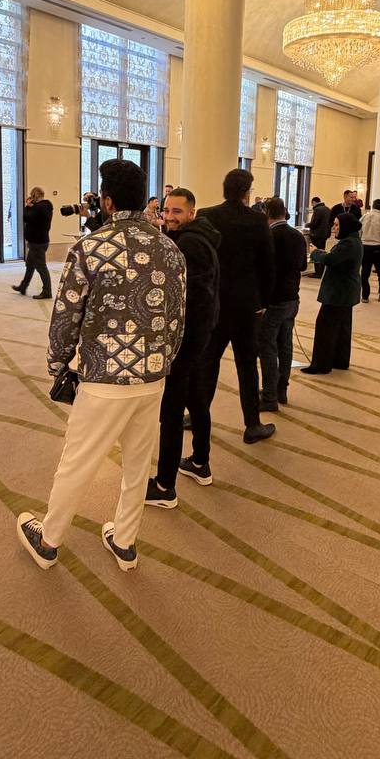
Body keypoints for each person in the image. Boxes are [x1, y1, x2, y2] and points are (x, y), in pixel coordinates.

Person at [16, 159, 186, 572]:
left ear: (107, 201)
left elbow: (66, 314)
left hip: (103, 376)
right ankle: (125, 542)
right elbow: (179, 316)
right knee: (137, 464)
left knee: (78, 460)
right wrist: (162, 360)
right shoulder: (170, 249)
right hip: (153, 376)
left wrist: (58, 363)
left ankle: (49, 539)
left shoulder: (90, 247)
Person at [180, 169, 276, 486]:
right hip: (247, 306)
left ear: (224, 188)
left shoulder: (207, 216)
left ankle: (197, 415)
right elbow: (267, 264)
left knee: (207, 362)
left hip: (216, 303)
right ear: (247, 191)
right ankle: (252, 424)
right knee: (247, 365)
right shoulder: (258, 221)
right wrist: (265, 299)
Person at [145, 187, 220, 509]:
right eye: (166, 210)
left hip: (186, 339)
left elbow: (189, 297)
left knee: (172, 412)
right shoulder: (200, 238)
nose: (170, 217)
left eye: (177, 211)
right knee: (198, 400)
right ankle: (200, 462)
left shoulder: (187, 244)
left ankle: (165, 486)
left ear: (192, 212)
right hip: (200, 336)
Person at [258, 196, 308, 411]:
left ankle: (269, 396)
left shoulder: (269, 236)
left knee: (267, 347)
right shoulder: (297, 235)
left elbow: (263, 270)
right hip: (292, 298)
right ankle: (281, 389)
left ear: (267, 213)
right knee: (285, 345)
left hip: (274, 301)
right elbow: (303, 266)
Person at [302, 213, 362, 374]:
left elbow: (330, 260)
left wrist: (315, 252)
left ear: (345, 226)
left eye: (336, 225)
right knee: (342, 327)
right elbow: (334, 257)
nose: (333, 228)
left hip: (338, 292)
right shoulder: (353, 241)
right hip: (347, 291)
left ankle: (321, 365)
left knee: (325, 327)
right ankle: (340, 360)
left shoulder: (348, 243)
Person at [12, 186, 53, 298]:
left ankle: (47, 291)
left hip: (37, 243)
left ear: (35, 196)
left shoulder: (38, 207)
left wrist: (27, 207)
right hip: (41, 240)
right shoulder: (47, 205)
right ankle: (23, 286)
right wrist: (32, 206)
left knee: (41, 267)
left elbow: (27, 218)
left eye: (32, 195)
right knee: (30, 265)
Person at [359, 198, 380, 302]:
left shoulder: (364, 217)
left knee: (365, 273)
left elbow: (358, 232)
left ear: (372, 206)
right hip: (378, 248)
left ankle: (365, 296)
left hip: (365, 247)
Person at [307, 195, 330, 277]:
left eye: (312, 204)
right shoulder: (327, 209)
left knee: (316, 252)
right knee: (322, 252)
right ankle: (322, 272)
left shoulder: (317, 210)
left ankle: (317, 272)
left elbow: (314, 223)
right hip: (325, 235)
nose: (312, 206)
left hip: (317, 235)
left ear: (314, 202)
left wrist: (306, 225)